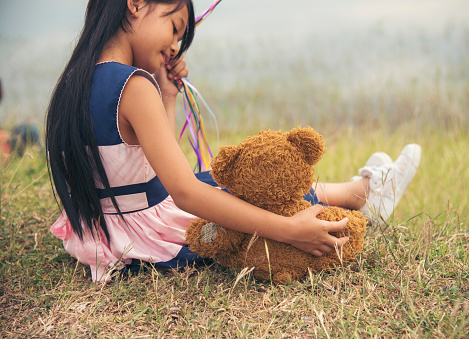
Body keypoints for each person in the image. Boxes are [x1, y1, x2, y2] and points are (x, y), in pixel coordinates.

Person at [46, 0, 421, 282]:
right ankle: (367, 193)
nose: (175, 47)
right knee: (254, 188)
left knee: (222, 181)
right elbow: (184, 193)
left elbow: (144, 167)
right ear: (137, 3)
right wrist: (289, 230)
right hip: (155, 239)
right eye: (174, 27)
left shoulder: (72, 84)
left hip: (111, 231)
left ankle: (363, 192)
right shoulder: (133, 86)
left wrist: (168, 94)